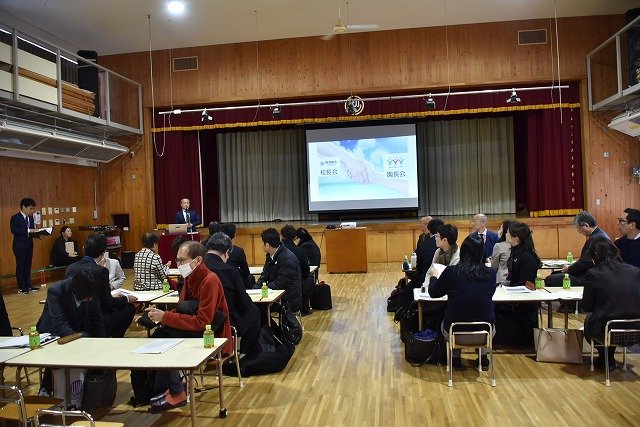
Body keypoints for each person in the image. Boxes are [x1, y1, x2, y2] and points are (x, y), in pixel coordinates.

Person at [146, 241, 232, 412]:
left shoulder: (210, 280)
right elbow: (182, 308)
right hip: (195, 328)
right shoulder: (189, 278)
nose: (178, 264)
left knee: (164, 341)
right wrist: (154, 317)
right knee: (158, 336)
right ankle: (172, 387)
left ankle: (178, 392)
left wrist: (166, 317)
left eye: (182, 260)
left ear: (198, 260)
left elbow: (203, 322)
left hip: (211, 334)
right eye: (177, 260)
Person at [428, 236, 496, 370]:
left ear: (463, 252)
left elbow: (433, 293)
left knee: (451, 315)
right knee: (480, 312)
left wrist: (434, 277)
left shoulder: (452, 272)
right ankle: (483, 357)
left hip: (454, 331)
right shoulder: (491, 273)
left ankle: (455, 358)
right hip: (485, 332)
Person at [36, 269, 106, 397]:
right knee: (61, 350)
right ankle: (46, 388)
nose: (91, 299)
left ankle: (87, 383)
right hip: (52, 332)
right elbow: (59, 323)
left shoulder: (92, 289)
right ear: (78, 289)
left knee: (91, 341)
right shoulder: (56, 291)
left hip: (77, 329)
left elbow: (97, 319)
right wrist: (79, 343)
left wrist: (102, 344)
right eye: (88, 296)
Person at [582, 238, 640, 370]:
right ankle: (609, 358)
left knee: (593, 318)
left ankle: (605, 358)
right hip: (635, 326)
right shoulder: (635, 271)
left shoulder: (594, 274)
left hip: (606, 327)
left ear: (595, 256)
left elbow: (587, 307)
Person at [66, 233, 137, 338]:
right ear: (103, 252)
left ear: (84, 248)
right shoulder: (101, 271)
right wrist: (126, 299)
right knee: (129, 308)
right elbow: (108, 303)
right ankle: (117, 338)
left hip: (74, 319)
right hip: (96, 319)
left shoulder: (70, 268)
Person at [204, 232, 260, 356]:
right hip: (227, 320)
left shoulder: (198, 267)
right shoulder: (231, 271)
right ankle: (244, 354)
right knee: (254, 311)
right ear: (226, 252)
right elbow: (244, 302)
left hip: (201, 319)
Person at [494, 222, 540, 346]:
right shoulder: (515, 251)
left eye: (508, 233)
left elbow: (524, 283)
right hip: (512, 291)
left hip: (522, 299)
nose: (506, 234)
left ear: (516, 238)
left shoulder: (526, 256)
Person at [545, 211, 609, 287]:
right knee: (555, 274)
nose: (580, 232)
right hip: (596, 271)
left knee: (550, 279)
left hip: (589, 275)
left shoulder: (595, 238)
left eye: (579, 229)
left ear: (586, 225)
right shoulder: (601, 234)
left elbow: (585, 262)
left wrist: (568, 269)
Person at [255, 228, 302, 313]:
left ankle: (268, 322)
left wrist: (262, 290)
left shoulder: (287, 258)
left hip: (288, 299)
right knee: (253, 306)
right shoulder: (270, 255)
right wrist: (255, 289)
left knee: (257, 308)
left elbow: (281, 283)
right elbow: (264, 275)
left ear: (267, 245)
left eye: (263, 243)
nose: (262, 245)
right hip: (276, 294)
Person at [281, 224, 313, 315]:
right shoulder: (301, 251)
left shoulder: (275, 251)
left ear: (282, 236)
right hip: (296, 285)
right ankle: (304, 308)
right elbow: (306, 272)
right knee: (309, 280)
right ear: (295, 237)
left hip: (279, 285)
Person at [10, 198, 39, 294]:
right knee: (21, 266)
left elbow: (32, 231)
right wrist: (29, 230)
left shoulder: (31, 218)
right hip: (19, 246)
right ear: (23, 207)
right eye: (31, 208)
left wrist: (39, 233)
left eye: (33, 209)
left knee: (28, 266)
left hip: (29, 245)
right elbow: (14, 230)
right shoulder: (15, 218)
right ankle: (21, 287)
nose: (32, 211)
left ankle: (28, 285)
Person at [220, 222, 252, 288]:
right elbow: (246, 272)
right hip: (235, 285)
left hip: (219, 283)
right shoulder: (238, 251)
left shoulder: (215, 250)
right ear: (234, 234)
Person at [490, 219, 516, 285]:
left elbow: (494, 267)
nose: (499, 230)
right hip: (516, 279)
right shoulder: (519, 245)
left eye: (501, 228)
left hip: (502, 280)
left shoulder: (499, 246)